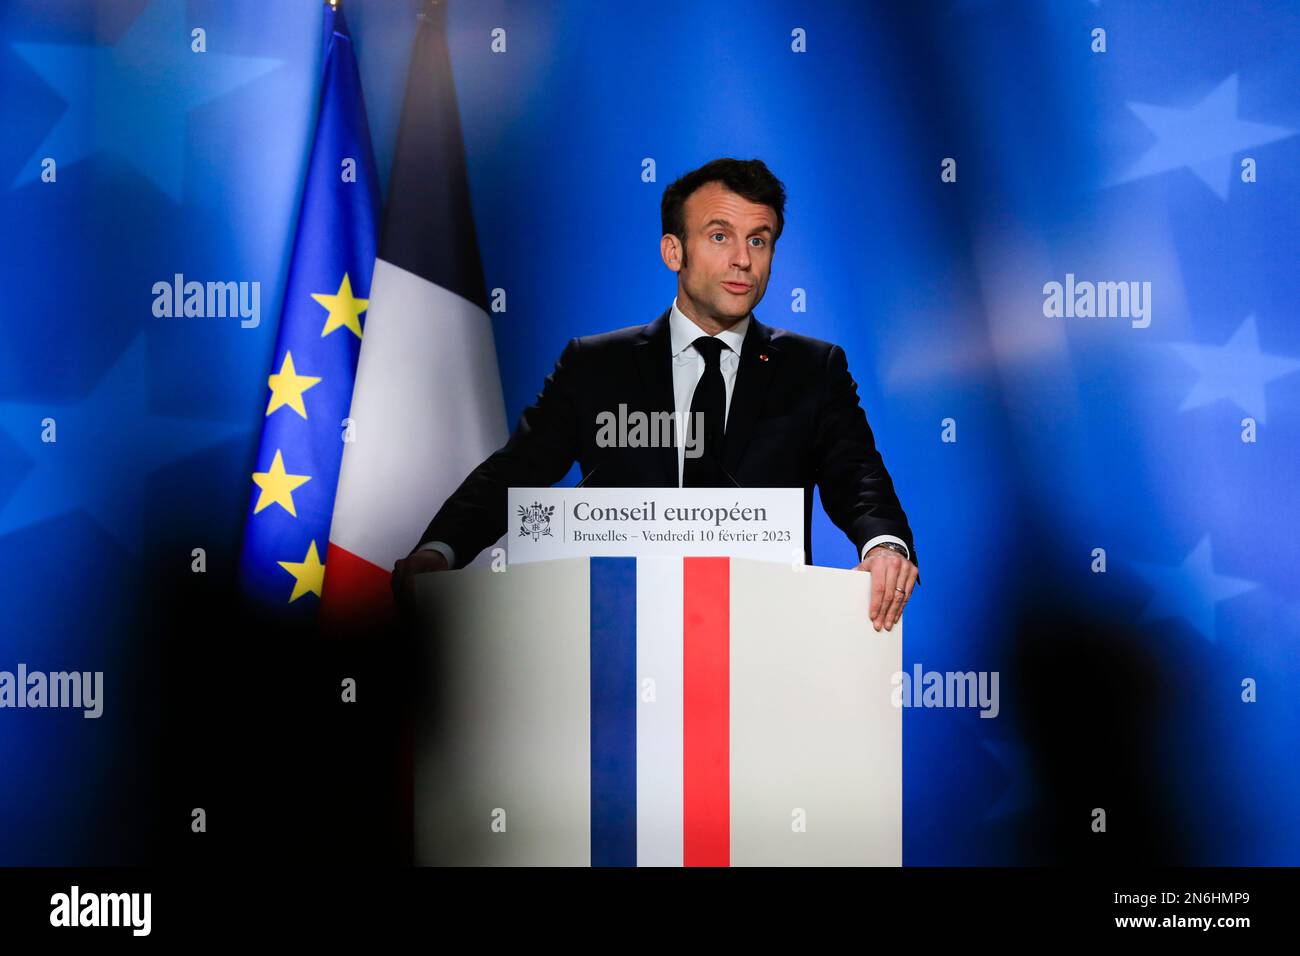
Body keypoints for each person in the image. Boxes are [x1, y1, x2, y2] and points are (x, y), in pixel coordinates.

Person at [392, 158, 918, 631]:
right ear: (674, 250)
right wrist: (440, 550)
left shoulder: (813, 369)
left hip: (760, 640)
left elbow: (858, 478)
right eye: (719, 236)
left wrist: (884, 546)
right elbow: (517, 471)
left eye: (758, 240)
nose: (742, 260)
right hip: (614, 638)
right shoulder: (596, 365)